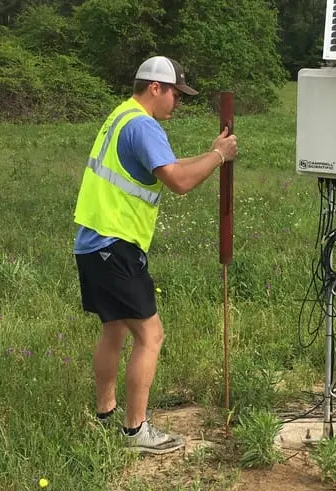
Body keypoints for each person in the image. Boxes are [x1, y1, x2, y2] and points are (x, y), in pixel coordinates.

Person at [72, 56, 239, 454]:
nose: (177, 103)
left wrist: (210, 152)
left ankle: (105, 415)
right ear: (154, 88)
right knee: (151, 334)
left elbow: (167, 166)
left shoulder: (122, 116)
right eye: (175, 94)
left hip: (92, 242)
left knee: (113, 327)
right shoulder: (144, 125)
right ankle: (136, 432)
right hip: (116, 243)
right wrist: (219, 158)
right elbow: (179, 182)